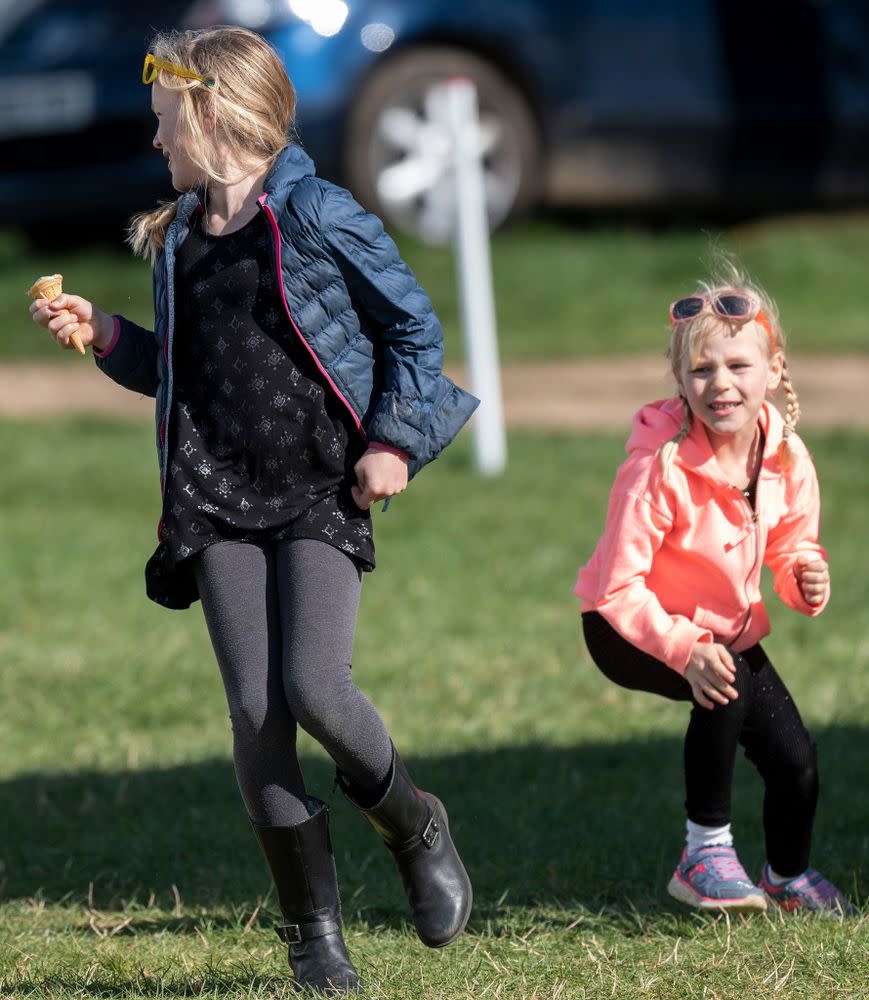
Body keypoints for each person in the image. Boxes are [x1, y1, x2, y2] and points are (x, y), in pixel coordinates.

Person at [30, 26, 477, 994]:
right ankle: (312, 936)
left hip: (319, 481)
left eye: (163, 124)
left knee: (317, 687)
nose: (155, 144)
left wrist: (394, 442)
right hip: (214, 494)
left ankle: (411, 819)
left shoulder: (319, 215)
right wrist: (108, 334)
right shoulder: (179, 238)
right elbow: (179, 371)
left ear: (213, 112)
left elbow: (411, 327)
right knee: (255, 711)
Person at [575, 265, 855, 916]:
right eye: (701, 370)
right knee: (721, 673)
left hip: (720, 627)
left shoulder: (786, 457)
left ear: (773, 368)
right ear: (678, 379)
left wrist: (804, 577)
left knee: (796, 762)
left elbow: (791, 548)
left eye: (737, 365)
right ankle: (702, 854)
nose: (720, 384)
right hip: (622, 627)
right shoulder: (657, 465)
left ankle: (786, 878)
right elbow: (619, 588)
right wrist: (683, 648)